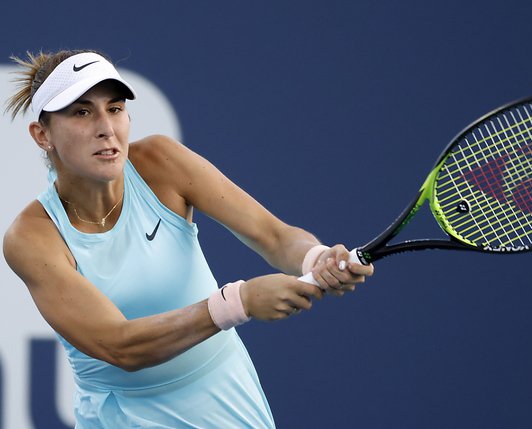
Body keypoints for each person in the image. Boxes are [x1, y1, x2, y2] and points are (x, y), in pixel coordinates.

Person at [2, 49, 374, 428]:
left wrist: (317, 258)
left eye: (114, 108)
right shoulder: (32, 237)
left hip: (227, 400)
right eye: (82, 112)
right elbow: (119, 344)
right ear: (41, 134)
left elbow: (275, 236)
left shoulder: (162, 162)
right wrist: (237, 302)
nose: (106, 128)